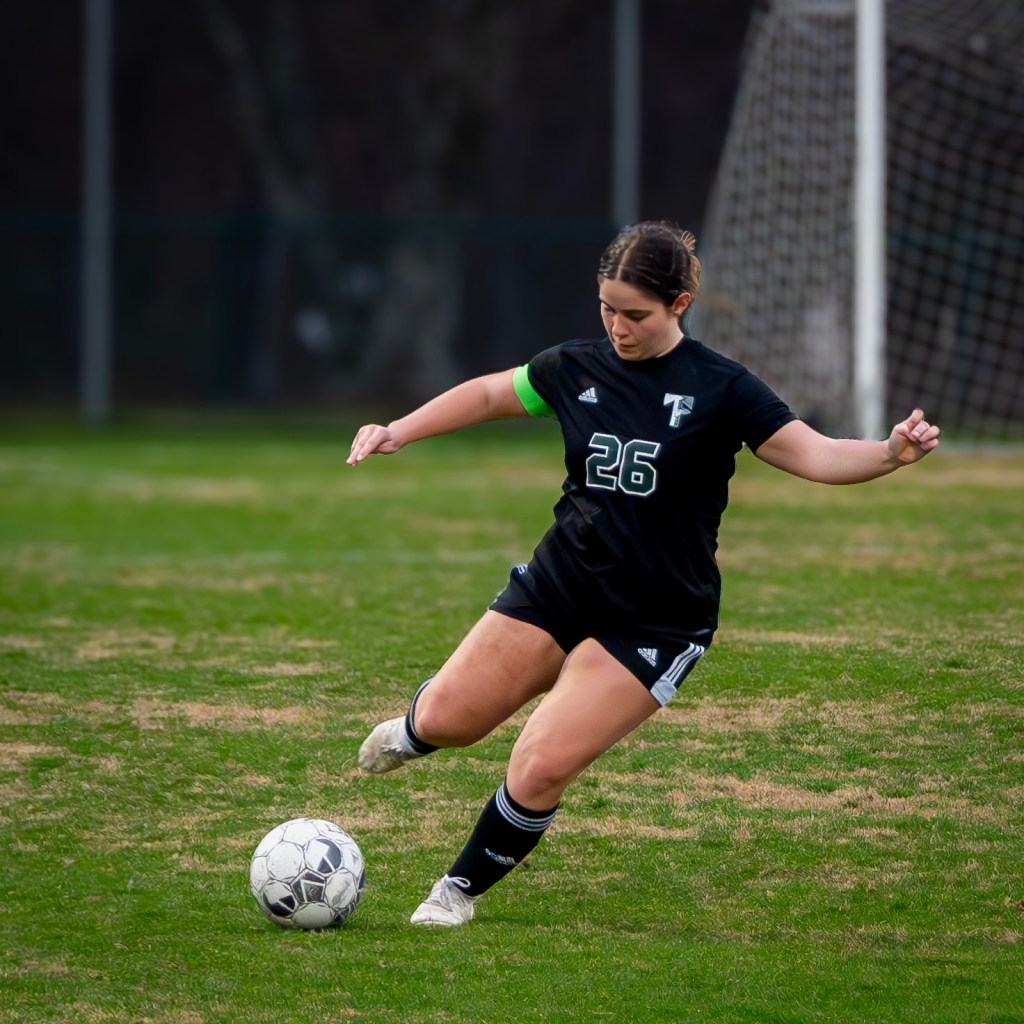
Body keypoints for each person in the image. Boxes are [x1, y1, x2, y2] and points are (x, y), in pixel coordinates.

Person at [347, 221, 940, 927]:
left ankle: (456, 892)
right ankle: (414, 731)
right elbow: (486, 395)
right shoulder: (575, 368)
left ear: (679, 304)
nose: (617, 327)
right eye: (607, 308)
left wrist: (888, 453)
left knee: (539, 763)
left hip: (655, 620)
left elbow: (815, 453)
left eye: (635, 314)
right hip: (559, 587)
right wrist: (399, 429)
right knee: (450, 721)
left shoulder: (723, 388)